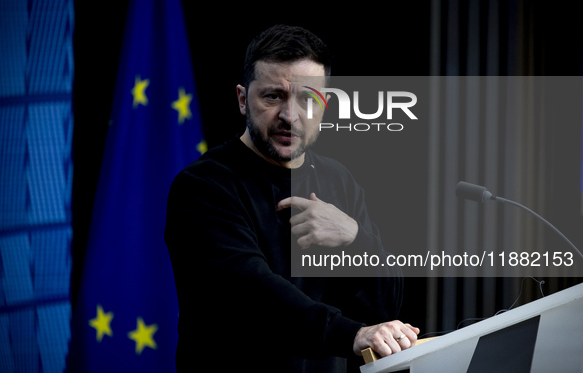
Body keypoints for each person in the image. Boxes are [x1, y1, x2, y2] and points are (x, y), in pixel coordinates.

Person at [164, 24, 419, 372]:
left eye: (307, 99)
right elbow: (253, 296)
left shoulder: (339, 179)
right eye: (273, 96)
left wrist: (354, 238)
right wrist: (352, 335)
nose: (290, 115)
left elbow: (384, 306)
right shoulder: (203, 186)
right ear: (242, 99)